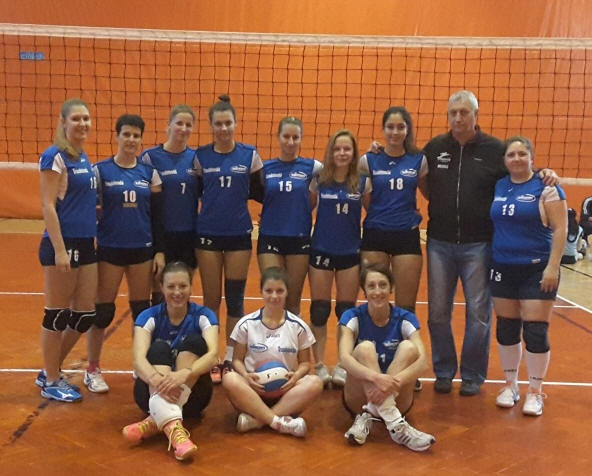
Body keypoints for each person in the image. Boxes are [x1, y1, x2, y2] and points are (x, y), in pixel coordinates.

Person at [423, 90, 558, 396]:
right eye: (453, 113)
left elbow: (521, 172)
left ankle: (472, 374)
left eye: (464, 112)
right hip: (439, 242)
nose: (458, 118)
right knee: (438, 313)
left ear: (476, 115)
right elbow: (420, 177)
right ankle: (443, 371)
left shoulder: (495, 150)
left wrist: (545, 173)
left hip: (480, 244)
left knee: (479, 314)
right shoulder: (435, 147)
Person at [85, 114, 164, 393]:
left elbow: (158, 218)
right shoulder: (100, 171)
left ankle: (139, 365)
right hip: (110, 249)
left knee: (141, 312)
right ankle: (92, 368)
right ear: (117, 136)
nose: (131, 140)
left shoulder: (149, 173)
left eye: (136, 135)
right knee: (102, 312)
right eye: (126, 134)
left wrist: (159, 251)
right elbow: (89, 209)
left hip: (142, 249)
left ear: (141, 139)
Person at [490, 137, 567, 416]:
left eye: (522, 154)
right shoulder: (500, 185)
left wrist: (552, 267)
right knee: (506, 328)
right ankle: (510, 385)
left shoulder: (547, 186)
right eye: (511, 154)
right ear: (505, 160)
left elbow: (561, 229)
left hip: (536, 267)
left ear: (532, 158)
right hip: (503, 266)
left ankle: (535, 391)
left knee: (535, 331)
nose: (517, 159)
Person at [194, 95, 264, 382]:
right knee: (211, 300)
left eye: (228, 123)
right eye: (218, 124)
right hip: (208, 235)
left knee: (235, 300)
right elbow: (196, 192)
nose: (223, 128)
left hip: (238, 235)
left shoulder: (250, 155)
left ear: (236, 123)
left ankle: (230, 358)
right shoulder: (200, 156)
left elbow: (262, 192)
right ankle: (211, 357)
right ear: (211, 126)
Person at [121, 261, 219, 461]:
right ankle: (177, 435)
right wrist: (157, 380)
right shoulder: (149, 316)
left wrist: (185, 374)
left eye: (182, 286)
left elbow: (213, 356)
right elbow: (138, 360)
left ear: (191, 287)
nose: (177, 292)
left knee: (195, 342)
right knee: (158, 348)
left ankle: (153, 422)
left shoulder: (204, 316)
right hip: (150, 392)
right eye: (171, 286)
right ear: (162, 288)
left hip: (194, 396)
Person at [35, 98, 97, 402]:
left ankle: (49, 369)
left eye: (86, 118)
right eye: (76, 119)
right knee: (56, 315)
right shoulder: (54, 156)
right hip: (63, 244)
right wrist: (60, 250)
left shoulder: (82, 157)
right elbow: (47, 205)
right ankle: (51, 380)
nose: (82, 123)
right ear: (63, 122)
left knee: (85, 314)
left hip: (86, 243)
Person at [338, 264, 435, 451]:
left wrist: (391, 384)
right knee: (364, 348)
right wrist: (377, 378)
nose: (377, 291)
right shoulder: (352, 316)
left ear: (392, 288)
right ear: (364, 291)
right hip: (358, 398)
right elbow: (344, 359)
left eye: (383, 285)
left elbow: (423, 362)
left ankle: (369, 414)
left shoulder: (405, 318)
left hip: (397, 396)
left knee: (410, 348)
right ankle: (397, 424)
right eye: (371, 286)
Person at [221, 267, 323, 438]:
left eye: (279, 291)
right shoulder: (247, 324)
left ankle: (258, 421)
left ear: (287, 292)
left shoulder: (298, 326)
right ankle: (278, 421)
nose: (274, 296)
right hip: (253, 391)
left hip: (285, 392)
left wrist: (296, 377)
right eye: (269, 291)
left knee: (315, 383)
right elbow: (236, 360)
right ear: (261, 292)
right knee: (229, 378)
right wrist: (246, 376)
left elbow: (306, 363)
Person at [308, 130, 371, 387]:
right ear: (330, 152)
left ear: (354, 154)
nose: (342, 153)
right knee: (319, 310)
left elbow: (373, 212)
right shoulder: (319, 180)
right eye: (337, 149)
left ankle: (344, 365)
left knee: (346, 311)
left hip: (350, 253)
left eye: (347, 149)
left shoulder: (362, 182)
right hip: (321, 250)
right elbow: (305, 207)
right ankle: (319, 365)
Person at [360, 106, 428, 313]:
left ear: (408, 130)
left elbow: (429, 193)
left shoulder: (418, 160)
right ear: (383, 129)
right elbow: (366, 201)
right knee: (375, 301)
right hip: (375, 234)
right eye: (390, 127)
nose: (395, 132)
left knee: (406, 307)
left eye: (400, 127)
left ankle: (404, 337)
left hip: (406, 235)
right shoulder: (368, 160)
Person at [258, 116, 322, 315]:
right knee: (274, 298)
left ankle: (293, 336)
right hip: (270, 237)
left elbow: (344, 168)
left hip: (298, 238)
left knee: (293, 302)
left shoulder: (313, 167)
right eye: (286, 136)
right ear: (278, 137)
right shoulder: (264, 168)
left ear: (301, 139)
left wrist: (374, 154)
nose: (291, 142)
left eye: (296, 137)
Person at [141, 105, 200, 304]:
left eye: (188, 125)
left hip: (189, 236)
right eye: (179, 123)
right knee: (159, 294)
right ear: (168, 125)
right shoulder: (150, 157)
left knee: (181, 293)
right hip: (161, 236)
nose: (183, 128)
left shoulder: (196, 159)